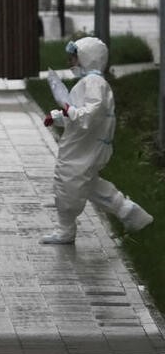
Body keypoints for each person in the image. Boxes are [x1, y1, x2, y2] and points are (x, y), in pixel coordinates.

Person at [41, 36, 154, 244]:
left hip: (83, 147)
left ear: (87, 57)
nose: (70, 63)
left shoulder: (94, 83)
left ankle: (65, 229)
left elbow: (90, 113)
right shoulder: (91, 83)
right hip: (84, 143)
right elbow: (81, 112)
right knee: (89, 184)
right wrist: (59, 116)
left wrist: (68, 110)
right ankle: (132, 214)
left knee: (70, 182)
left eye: (74, 58)